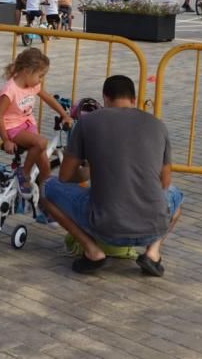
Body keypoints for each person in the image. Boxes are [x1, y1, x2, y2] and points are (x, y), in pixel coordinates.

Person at [42, 75, 184, 275]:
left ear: (105, 99)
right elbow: (165, 182)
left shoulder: (87, 122)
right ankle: (153, 252)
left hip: (105, 227)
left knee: (47, 187)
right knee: (177, 195)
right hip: (153, 225)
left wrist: (90, 172)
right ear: (134, 100)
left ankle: (93, 252)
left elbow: (65, 176)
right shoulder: (157, 125)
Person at [0, 48, 72, 201]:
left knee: (45, 168)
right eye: (40, 75)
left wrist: (64, 115)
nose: (41, 79)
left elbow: (48, 98)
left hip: (28, 126)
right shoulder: (10, 90)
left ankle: (45, 206)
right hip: (12, 128)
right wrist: (6, 140)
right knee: (42, 142)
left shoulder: (32, 85)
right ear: (27, 71)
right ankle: (24, 173)